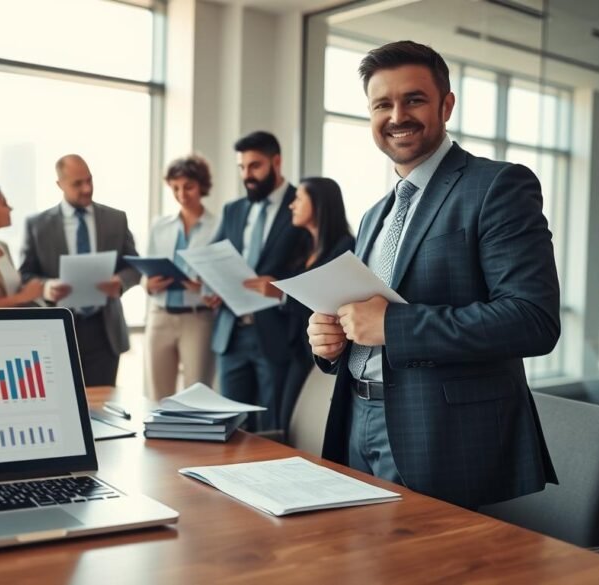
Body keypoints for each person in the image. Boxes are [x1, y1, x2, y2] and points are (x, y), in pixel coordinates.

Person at [306, 40, 559, 509]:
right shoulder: (373, 214)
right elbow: (366, 317)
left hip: (444, 436)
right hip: (355, 420)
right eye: (383, 104)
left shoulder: (498, 186)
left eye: (414, 99)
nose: (397, 115)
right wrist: (332, 339)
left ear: (446, 105)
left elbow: (532, 320)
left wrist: (393, 326)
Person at [203, 131, 311, 432]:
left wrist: (280, 285)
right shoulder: (233, 209)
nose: (246, 175)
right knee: (231, 427)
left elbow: (315, 266)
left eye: (255, 166)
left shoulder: (301, 204)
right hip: (231, 333)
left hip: (275, 334)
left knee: (270, 427)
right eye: (242, 167)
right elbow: (212, 257)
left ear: (276, 162)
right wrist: (210, 288)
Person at [19, 155, 139, 387]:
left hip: (104, 331)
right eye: (77, 183)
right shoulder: (38, 225)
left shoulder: (116, 219)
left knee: (102, 410)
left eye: (89, 180)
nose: (87, 188)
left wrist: (120, 282)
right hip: (58, 327)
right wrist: (46, 288)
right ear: (59, 184)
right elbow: (24, 275)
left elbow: (134, 265)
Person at [281, 177, 355, 432]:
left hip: (321, 353)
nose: (292, 205)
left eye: (299, 198)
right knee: (285, 422)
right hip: (296, 351)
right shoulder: (303, 248)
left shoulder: (346, 247)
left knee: (306, 426)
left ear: (320, 204)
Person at [143, 155, 219, 400]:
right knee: (158, 396)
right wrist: (147, 284)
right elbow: (148, 269)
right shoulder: (160, 226)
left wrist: (205, 285)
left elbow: (223, 277)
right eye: (175, 188)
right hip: (160, 316)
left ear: (202, 186)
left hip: (197, 319)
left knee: (196, 395)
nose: (182, 194)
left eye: (188, 187)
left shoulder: (219, 226)